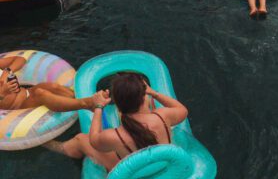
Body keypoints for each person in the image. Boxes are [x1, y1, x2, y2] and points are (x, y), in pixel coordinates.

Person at [45, 72, 188, 172]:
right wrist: (154, 93)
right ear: (145, 96)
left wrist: (99, 107)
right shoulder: (163, 116)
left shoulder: (114, 136)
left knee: (81, 139)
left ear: (118, 105)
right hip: (165, 169)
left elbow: (94, 140)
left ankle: (58, 146)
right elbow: (182, 109)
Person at [0, 54, 108, 112]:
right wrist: (2, 94)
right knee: (40, 93)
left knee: (52, 86)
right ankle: (86, 103)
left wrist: (7, 71)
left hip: (27, 92)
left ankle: (84, 103)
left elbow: (20, 59)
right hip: (17, 107)